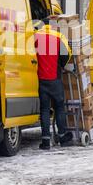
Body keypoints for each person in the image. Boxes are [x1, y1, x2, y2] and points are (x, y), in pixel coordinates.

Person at [34, 18, 73, 150]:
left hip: (41, 79)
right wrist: (61, 65)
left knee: (44, 109)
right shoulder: (57, 36)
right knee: (59, 108)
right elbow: (67, 54)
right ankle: (62, 137)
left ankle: (45, 141)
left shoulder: (34, 37)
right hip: (55, 79)